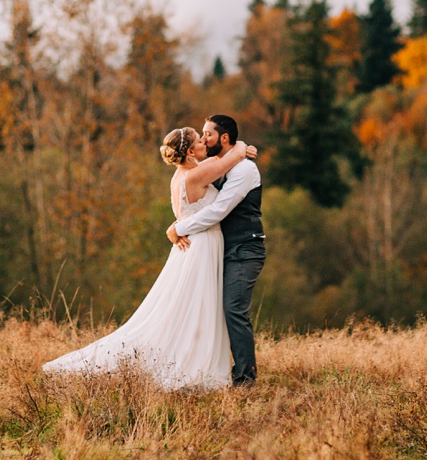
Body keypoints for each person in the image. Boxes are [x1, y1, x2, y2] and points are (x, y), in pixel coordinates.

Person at [41, 126, 250, 391]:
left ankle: (194, 356)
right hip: (202, 244)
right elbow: (232, 157)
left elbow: (216, 161)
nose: (204, 144)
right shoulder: (196, 175)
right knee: (199, 305)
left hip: (192, 244)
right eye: (199, 141)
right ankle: (195, 366)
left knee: (189, 307)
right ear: (189, 152)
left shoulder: (181, 175)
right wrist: (242, 146)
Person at [166, 114, 265, 388]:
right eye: (200, 135)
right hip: (217, 249)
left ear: (223, 138)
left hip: (245, 248)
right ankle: (203, 367)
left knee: (233, 309)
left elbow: (219, 210)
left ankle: (245, 379)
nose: (203, 138)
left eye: (207, 134)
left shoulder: (244, 170)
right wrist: (177, 226)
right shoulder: (215, 165)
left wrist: (181, 226)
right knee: (206, 309)